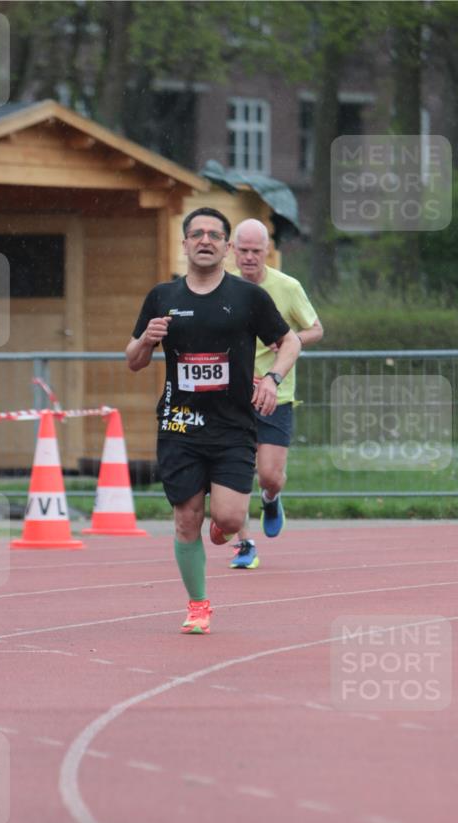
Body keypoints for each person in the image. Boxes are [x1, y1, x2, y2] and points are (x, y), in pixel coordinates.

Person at [126, 207, 301, 634]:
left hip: (231, 426)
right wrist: (146, 342)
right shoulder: (163, 297)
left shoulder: (247, 297)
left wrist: (274, 379)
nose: (205, 240)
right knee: (187, 517)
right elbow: (133, 360)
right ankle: (198, 604)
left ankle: (224, 531)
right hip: (180, 425)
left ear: (226, 247)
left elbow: (290, 340)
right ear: (184, 243)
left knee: (226, 517)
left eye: (214, 235)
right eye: (196, 234)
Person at [229, 218, 323, 569]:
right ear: (232, 251)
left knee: (268, 474)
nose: (250, 257)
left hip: (275, 395)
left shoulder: (286, 286)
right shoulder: (222, 288)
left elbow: (315, 329)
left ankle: (271, 497)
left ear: (267, 250)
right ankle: (244, 546)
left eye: (257, 251)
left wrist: (285, 339)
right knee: (234, 474)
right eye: (244, 250)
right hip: (232, 396)